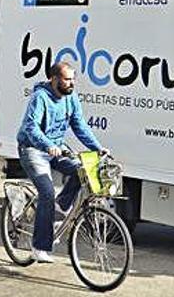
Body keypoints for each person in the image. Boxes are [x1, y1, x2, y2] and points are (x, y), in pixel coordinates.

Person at [16, 61, 107, 264]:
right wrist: (48, 145)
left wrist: (97, 147)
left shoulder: (71, 97)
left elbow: (79, 125)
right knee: (47, 192)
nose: (72, 83)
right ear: (54, 79)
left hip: (56, 148)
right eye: (67, 79)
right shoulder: (40, 97)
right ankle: (38, 248)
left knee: (81, 171)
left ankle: (59, 211)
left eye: (73, 79)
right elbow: (31, 128)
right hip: (33, 149)